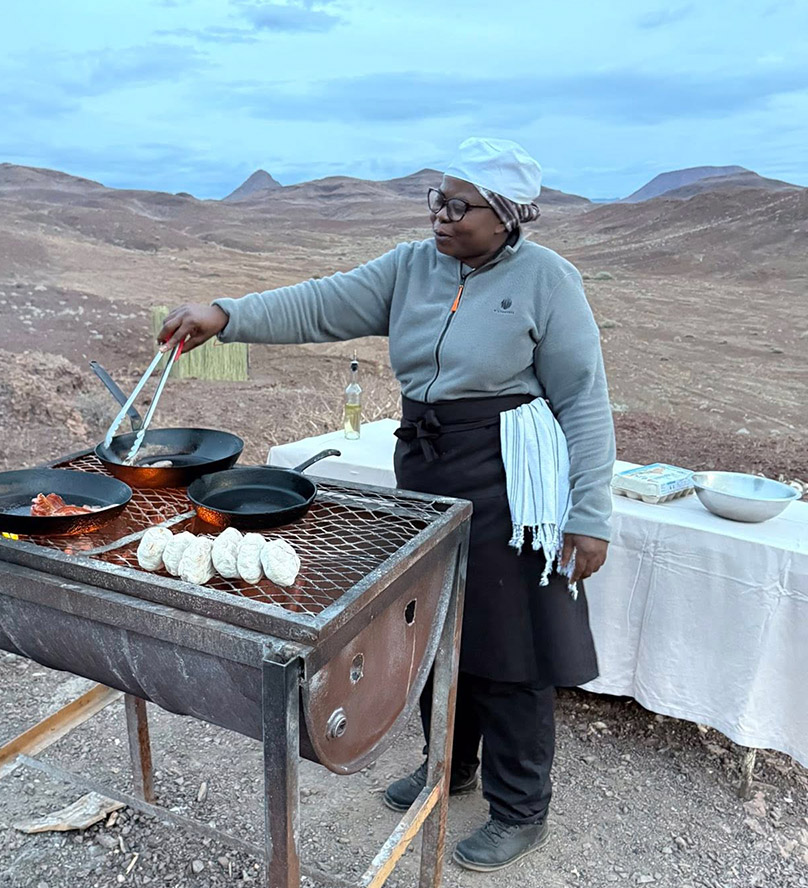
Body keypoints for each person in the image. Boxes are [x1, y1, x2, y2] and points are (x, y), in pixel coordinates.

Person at [157, 136, 615, 872]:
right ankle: (451, 764)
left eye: (459, 206)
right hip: (430, 463)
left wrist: (590, 514)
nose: (440, 217)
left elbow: (584, 402)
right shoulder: (411, 267)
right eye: (437, 199)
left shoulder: (548, 281)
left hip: (509, 476)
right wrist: (225, 313)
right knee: (434, 625)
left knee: (510, 646)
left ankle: (521, 807)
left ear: (504, 216)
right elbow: (320, 302)